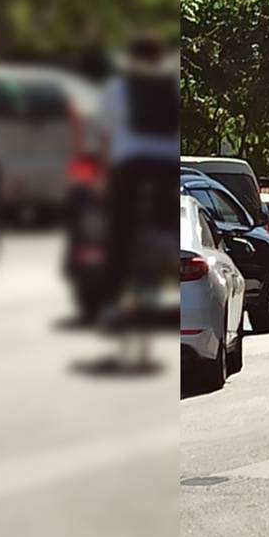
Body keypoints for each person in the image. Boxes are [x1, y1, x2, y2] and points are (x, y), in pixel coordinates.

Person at [99, 33, 179, 322]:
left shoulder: (117, 87)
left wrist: (104, 178)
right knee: (168, 229)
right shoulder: (169, 86)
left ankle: (111, 301)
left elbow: (106, 133)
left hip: (129, 165)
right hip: (165, 167)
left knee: (119, 233)